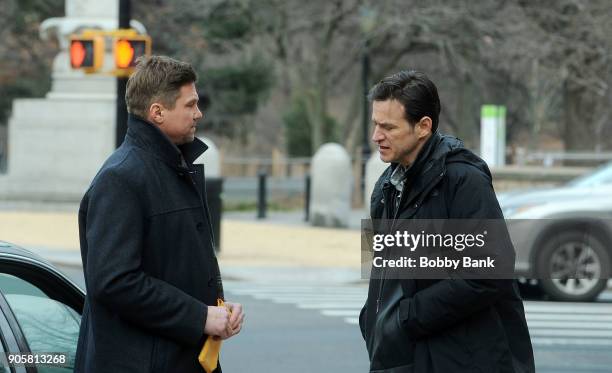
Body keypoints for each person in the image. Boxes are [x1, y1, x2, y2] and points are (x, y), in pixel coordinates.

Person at [75, 55, 244, 373]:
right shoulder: (121, 178)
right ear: (157, 112)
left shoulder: (172, 168)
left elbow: (175, 268)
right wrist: (201, 317)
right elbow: (114, 281)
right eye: (190, 105)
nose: (199, 113)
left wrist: (215, 311)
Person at [359, 70, 535, 372]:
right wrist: (372, 323)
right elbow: (380, 271)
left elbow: (489, 271)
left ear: (423, 126)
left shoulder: (464, 180)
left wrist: (408, 316)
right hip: (400, 357)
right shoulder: (385, 188)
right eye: (375, 124)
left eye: (388, 127)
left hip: (457, 359)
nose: (376, 136)